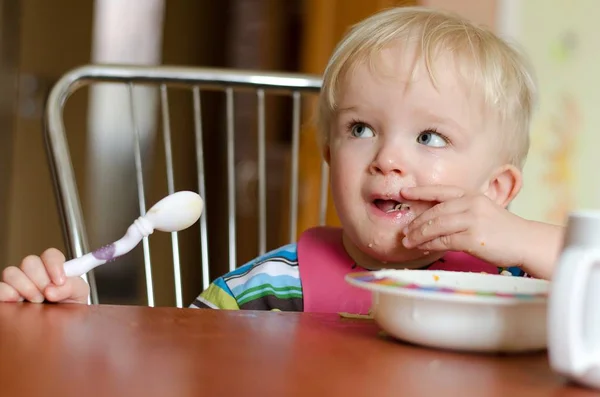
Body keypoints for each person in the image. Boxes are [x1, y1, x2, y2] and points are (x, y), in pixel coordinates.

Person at [0, 6, 564, 313]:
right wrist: (73, 324)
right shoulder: (268, 289)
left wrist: (533, 243)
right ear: (328, 153)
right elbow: (169, 365)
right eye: (360, 128)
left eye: (431, 138)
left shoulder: (514, 284)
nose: (388, 157)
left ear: (496, 188)